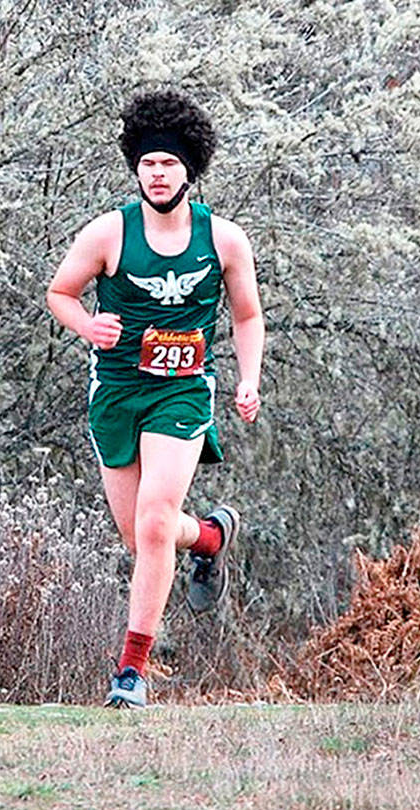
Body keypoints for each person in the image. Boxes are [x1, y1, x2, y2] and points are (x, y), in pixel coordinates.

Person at [46, 89, 264, 708]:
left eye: (168, 163)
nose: (157, 173)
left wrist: (248, 379)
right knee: (141, 535)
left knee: (152, 521)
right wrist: (88, 325)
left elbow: (247, 316)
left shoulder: (223, 240)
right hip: (116, 391)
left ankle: (133, 671)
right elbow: (60, 292)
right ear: (135, 168)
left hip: (183, 389)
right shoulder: (109, 233)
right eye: (148, 164)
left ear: (189, 169)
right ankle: (211, 539)